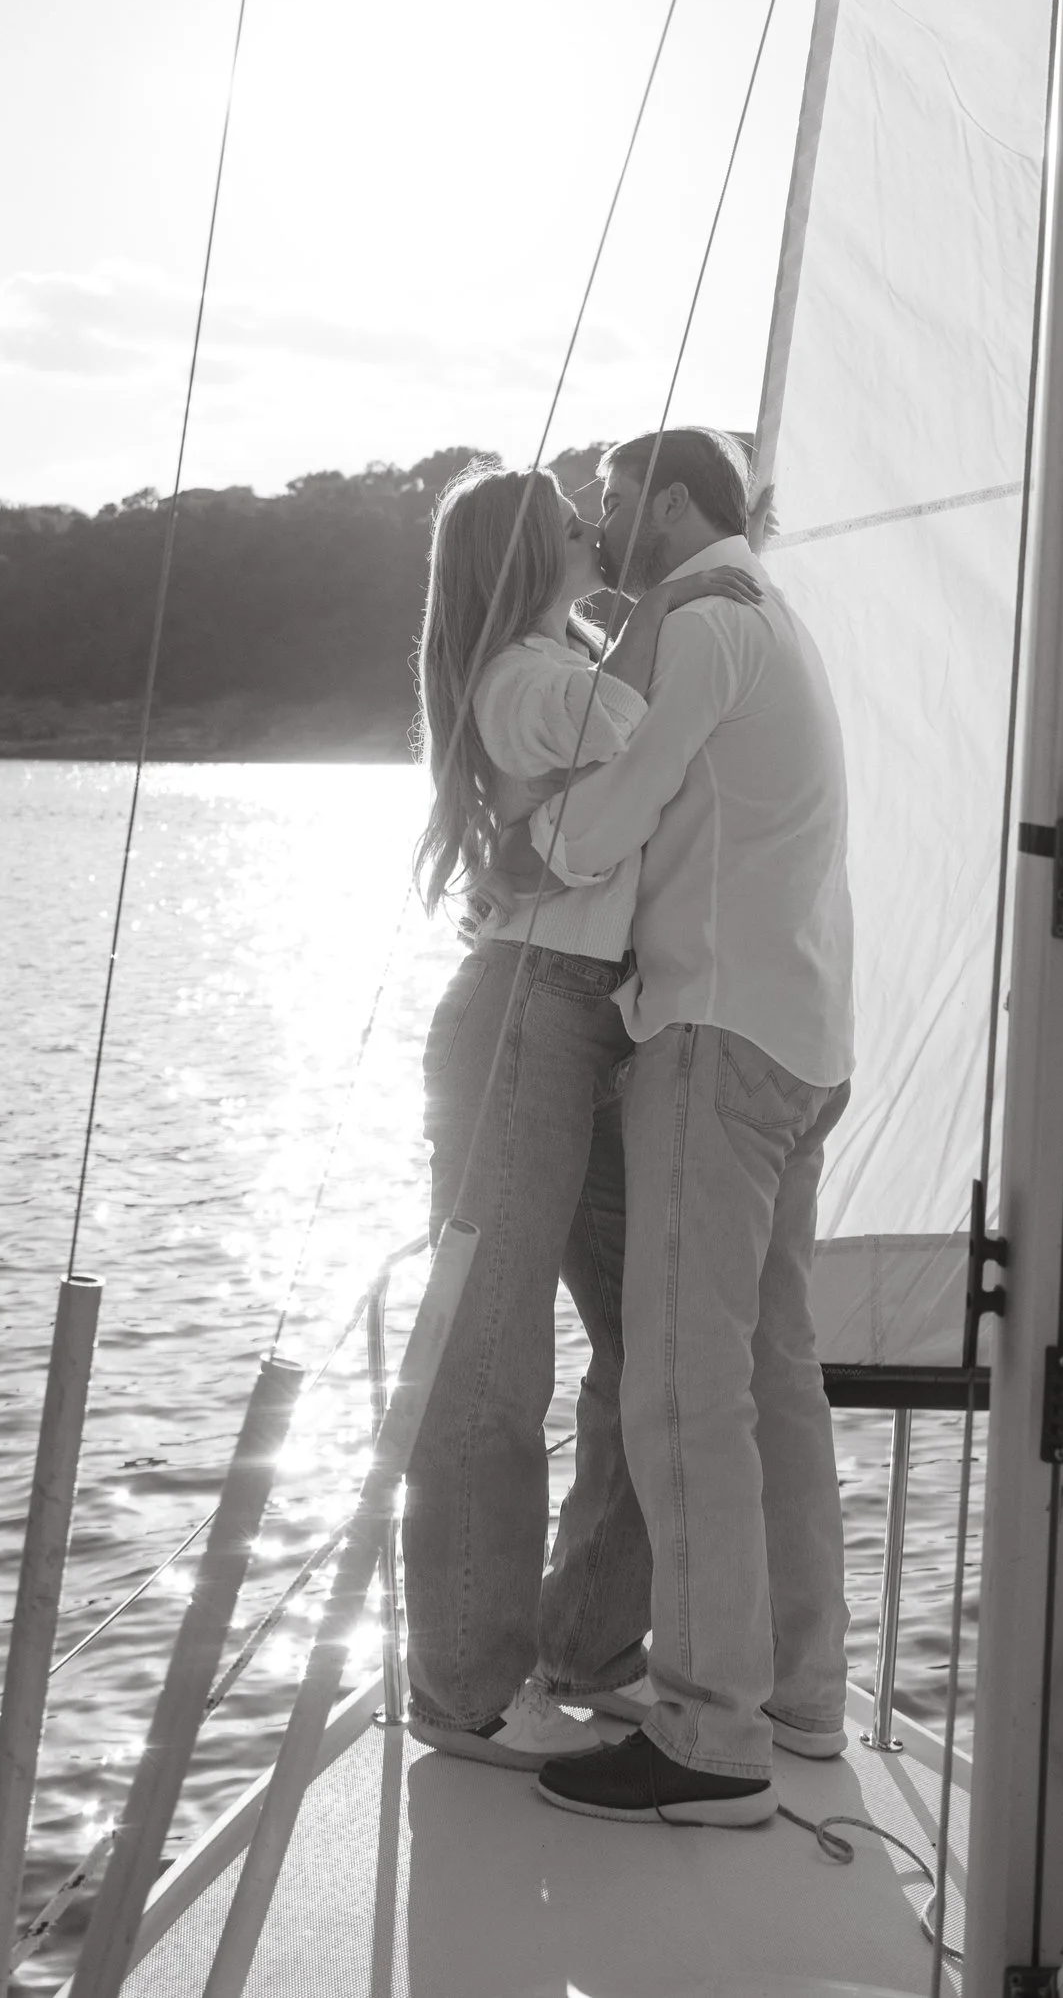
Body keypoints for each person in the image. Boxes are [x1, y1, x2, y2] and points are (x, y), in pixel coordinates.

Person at [515, 426, 857, 1832]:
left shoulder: (700, 620)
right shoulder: (779, 620)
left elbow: (608, 821)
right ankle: (799, 1697)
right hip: (802, 1039)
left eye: (612, 508)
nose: (603, 534)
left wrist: (518, 837)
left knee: (678, 1379)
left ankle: (712, 1734)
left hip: (713, 1039)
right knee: (773, 1377)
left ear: (670, 504)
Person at [400, 459, 761, 1769]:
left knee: (639, 1354)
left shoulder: (549, 664)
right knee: (494, 1366)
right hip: (524, 1023)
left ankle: (584, 1640)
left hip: (588, 1025)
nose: (595, 527)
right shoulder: (527, 681)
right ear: (529, 553)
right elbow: (639, 734)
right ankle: (462, 1687)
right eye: (572, 521)